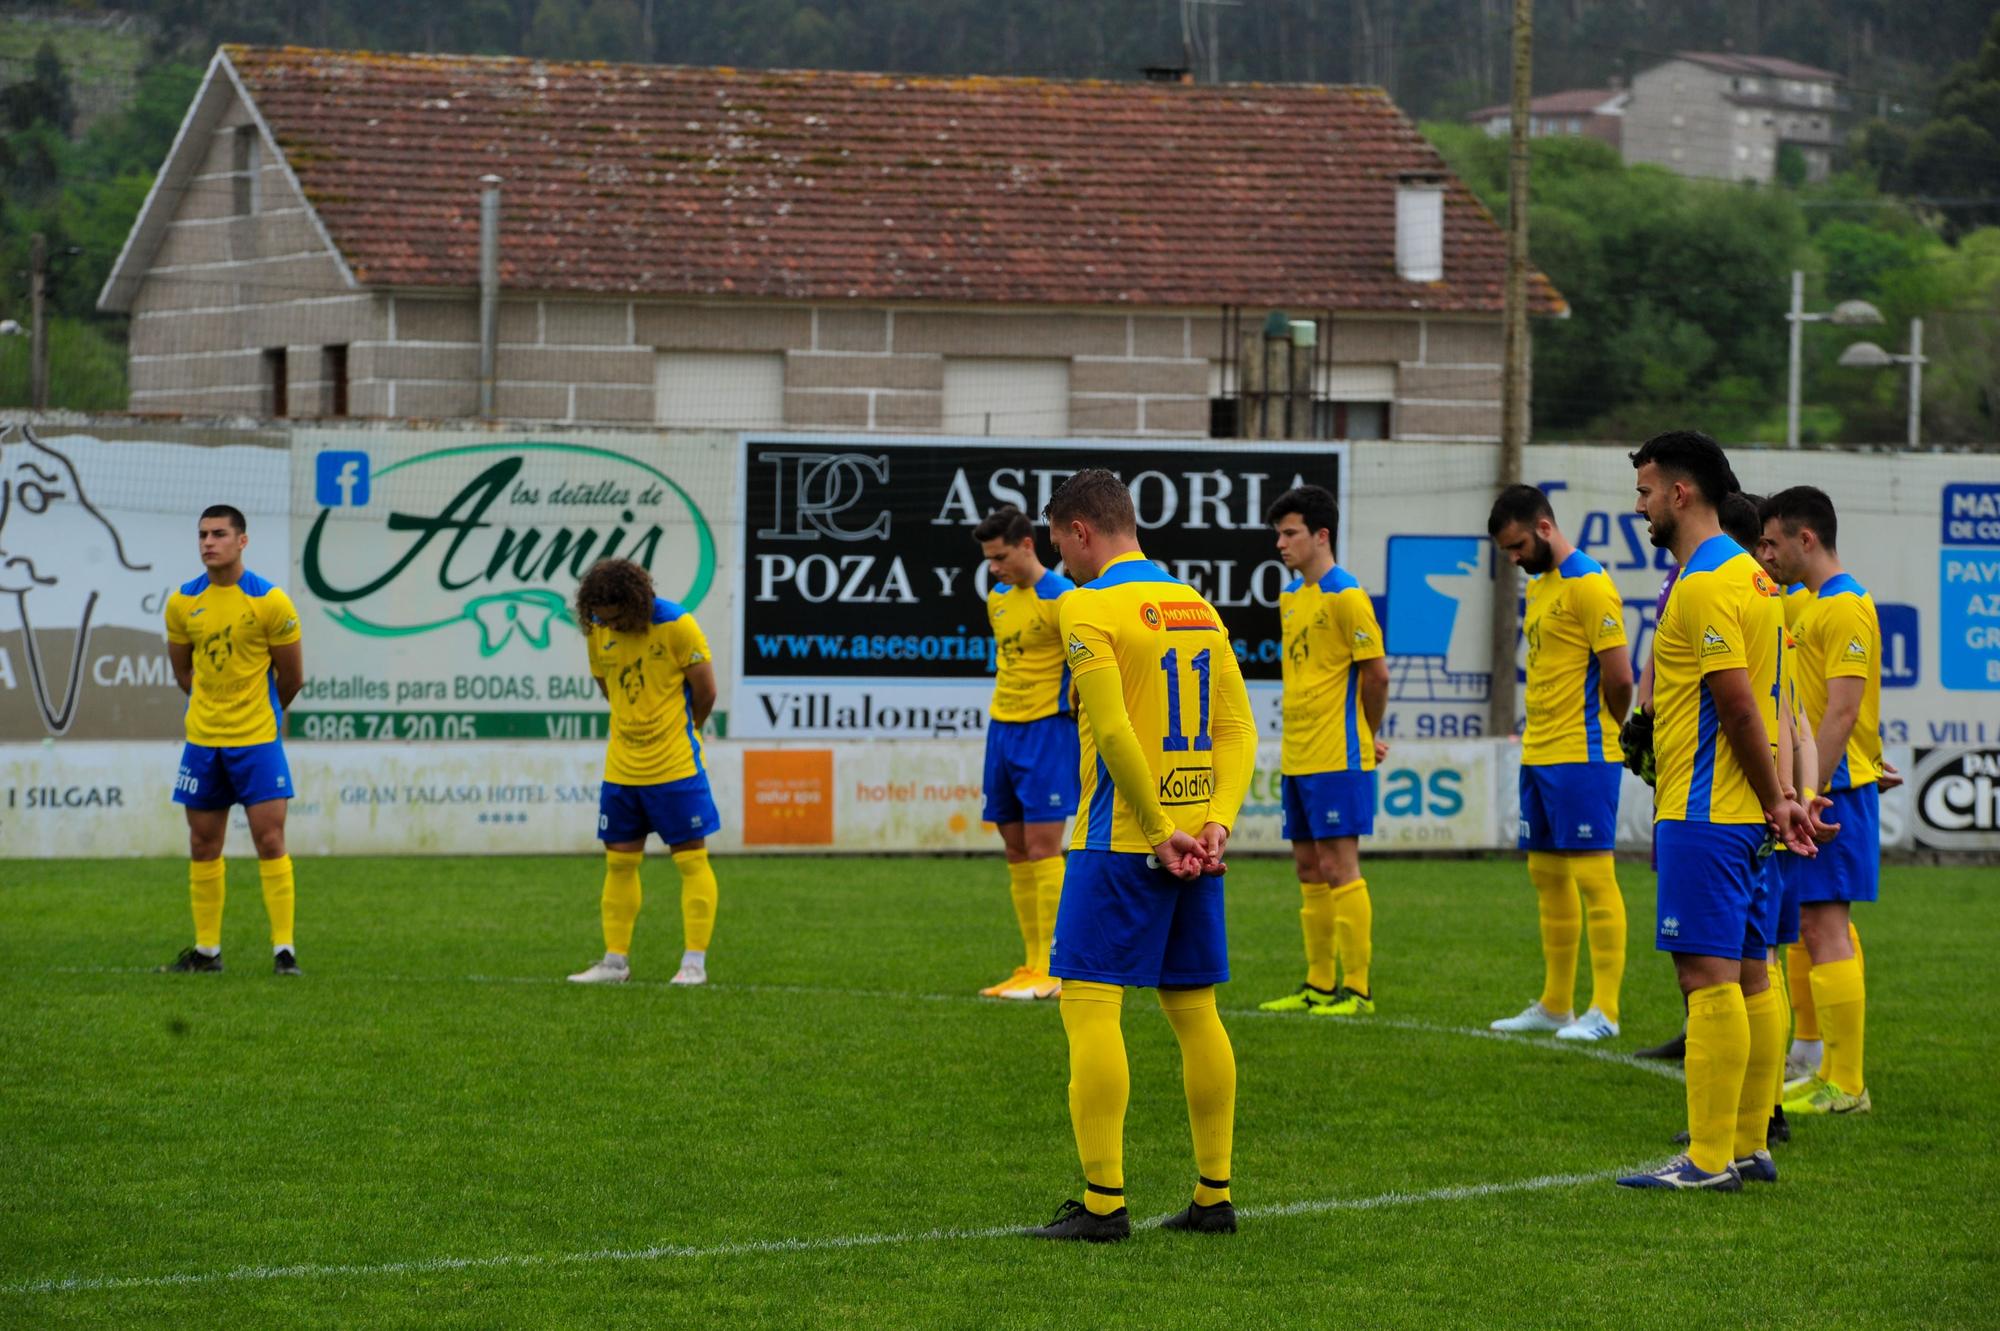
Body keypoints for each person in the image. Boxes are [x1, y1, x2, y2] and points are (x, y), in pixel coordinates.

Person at [1024, 469, 1254, 1242]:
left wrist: (1158, 830)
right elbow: (1239, 730)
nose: (1059, 560)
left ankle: (1102, 1205)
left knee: (1091, 1007)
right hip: (1201, 842)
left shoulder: (1087, 605)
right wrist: (1216, 821)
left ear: (1082, 530)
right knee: (1195, 1012)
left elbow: (1115, 731)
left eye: (1058, 542)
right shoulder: (1196, 603)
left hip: (1122, 840)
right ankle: (1213, 1195)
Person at [1616, 433, 1816, 1191]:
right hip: (1744, 815)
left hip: (1708, 812)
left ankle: (1704, 1160)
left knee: (1705, 978)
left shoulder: (1703, 584)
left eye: (1645, 491)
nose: (1639, 507)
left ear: (1680, 493)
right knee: (1748, 973)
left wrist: (1775, 798)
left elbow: (1737, 703)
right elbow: (1780, 700)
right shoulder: (1759, 581)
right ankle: (1746, 1144)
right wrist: (1785, 798)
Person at [1485, 485, 1632, 1042]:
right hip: (1540, 750)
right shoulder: (1543, 586)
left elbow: (1618, 675)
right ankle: (1555, 1005)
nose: (1514, 559)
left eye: (1518, 546)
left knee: (1594, 877)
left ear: (1545, 527)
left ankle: (1607, 1011)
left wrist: (1621, 735)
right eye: (1507, 552)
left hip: (1583, 753)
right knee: (1546, 876)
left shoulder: (1591, 585)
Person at [1758, 486, 1882, 1117]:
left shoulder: (1845, 606)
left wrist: (1810, 794)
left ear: (1806, 539)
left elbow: (1843, 708)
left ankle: (1849, 1084)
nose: (1766, 555)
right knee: (1814, 926)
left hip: (1833, 793)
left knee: (1826, 929)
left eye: (1773, 542)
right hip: (1826, 786)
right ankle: (1831, 1068)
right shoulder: (1810, 604)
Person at [1256, 485, 1389, 1018]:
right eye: (1278, 535)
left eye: (1290, 533)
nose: (1281, 544)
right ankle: (1317, 983)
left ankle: (1356, 990)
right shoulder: (1292, 597)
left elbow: (1375, 674)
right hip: (1299, 754)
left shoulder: (1347, 596)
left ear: (1321, 535)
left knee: (1340, 866)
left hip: (1338, 754)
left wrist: (1366, 731)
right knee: (1308, 868)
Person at [159, 504, 306, 976]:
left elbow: (293, 677)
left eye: (219, 534)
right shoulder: (183, 602)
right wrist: (212, 709)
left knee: (270, 838)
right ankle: (206, 953)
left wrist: (261, 713)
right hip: (203, 742)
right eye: (202, 534)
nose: (208, 542)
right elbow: (183, 670)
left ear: (242, 541)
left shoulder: (270, 601)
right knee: (203, 845)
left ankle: (284, 952)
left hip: (258, 741)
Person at [566, 558, 722, 987]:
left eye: (615, 617)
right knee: (618, 864)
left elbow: (706, 691)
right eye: (599, 616)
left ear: (634, 604)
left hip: (675, 767)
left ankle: (693, 964)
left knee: (691, 862)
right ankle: (614, 963)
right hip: (621, 769)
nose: (607, 624)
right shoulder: (598, 627)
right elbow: (607, 686)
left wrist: (682, 730)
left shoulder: (676, 625)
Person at [972, 505, 1078, 1000]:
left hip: (1048, 732)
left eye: (1000, 556)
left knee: (1043, 848)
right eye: (989, 559)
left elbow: (1087, 664)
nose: (994, 567)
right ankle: (1031, 962)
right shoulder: (996, 599)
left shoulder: (1063, 598)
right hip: (1003, 732)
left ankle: (1054, 966)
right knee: (1015, 850)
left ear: (1028, 545)